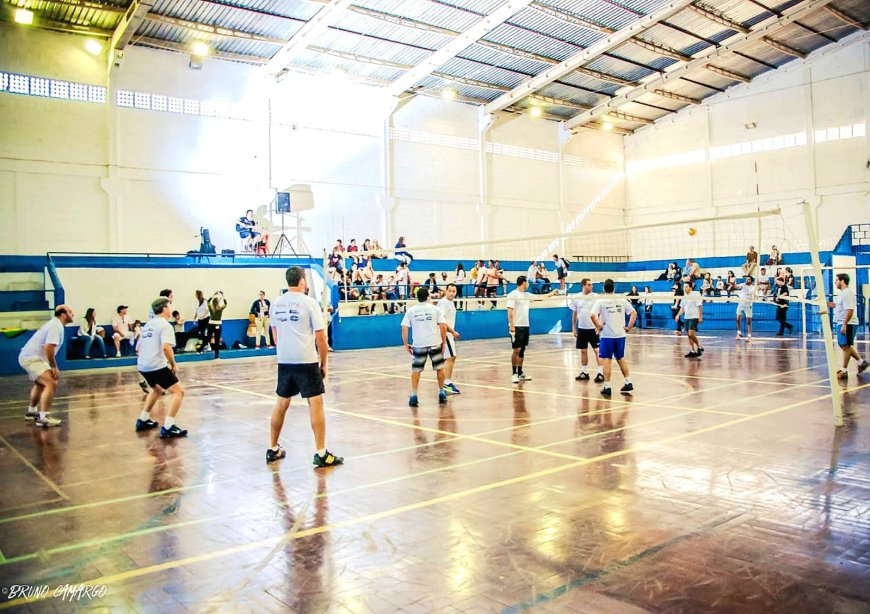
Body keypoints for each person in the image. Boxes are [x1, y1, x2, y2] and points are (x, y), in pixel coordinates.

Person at [267, 267, 343, 467]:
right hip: (306, 360)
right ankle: (321, 452)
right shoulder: (310, 303)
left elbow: (275, 337)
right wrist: (324, 363)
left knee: (281, 403)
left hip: (285, 361)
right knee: (315, 403)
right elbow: (321, 337)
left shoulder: (275, 304)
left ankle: (273, 449)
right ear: (301, 281)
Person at [135, 297, 188, 438]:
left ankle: (143, 420)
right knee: (179, 392)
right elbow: (166, 347)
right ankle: (169, 427)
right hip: (156, 365)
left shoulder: (148, 325)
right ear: (164, 309)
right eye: (169, 306)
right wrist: (173, 364)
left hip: (142, 365)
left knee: (157, 390)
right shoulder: (165, 325)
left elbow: (138, 347)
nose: (170, 309)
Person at [20, 305, 74, 427]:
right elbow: (49, 347)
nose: (73, 314)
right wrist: (54, 366)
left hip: (31, 356)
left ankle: (31, 412)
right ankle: (43, 418)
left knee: (41, 383)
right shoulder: (56, 326)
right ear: (63, 315)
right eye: (70, 312)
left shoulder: (54, 324)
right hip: (32, 358)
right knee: (51, 382)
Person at [401, 287, 448, 407]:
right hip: (435, 343)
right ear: (428, 296)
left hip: (419, 344)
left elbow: (404, 328)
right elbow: (443, 327)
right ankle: (442, 392)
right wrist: (444, 342)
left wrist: (406, 344)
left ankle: (414, 395)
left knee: (416, 370)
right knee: (440, 368)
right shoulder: (436, 309)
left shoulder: (411, 311)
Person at [590, 280, 636, 398]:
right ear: (613, 288)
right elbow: (633, 313)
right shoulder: (621, 299)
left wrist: (598, 326)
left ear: (604, 288)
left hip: (607, 335)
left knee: (607, 360)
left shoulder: (601, 301)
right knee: (620, 358)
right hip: (620, 334)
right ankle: (628, 382)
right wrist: (629, 327)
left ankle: (607, 386)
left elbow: (592, 315)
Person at [507, 276, 557, 384]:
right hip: (516, 326)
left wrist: (551, 294)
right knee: (516, 349)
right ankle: (514, 374)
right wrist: (512, 325)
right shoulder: (513, 295)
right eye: (527, 282)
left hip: (525, 325)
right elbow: (510, 312)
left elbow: (540, 297)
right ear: (523, 282)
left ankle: (520, 373)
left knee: (523, 349)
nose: (528, 284)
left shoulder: (527, 295)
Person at [827, 273, 869, 379]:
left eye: (836, 280)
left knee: (846, 346)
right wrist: (826, 304)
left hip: (848, 323)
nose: (835, 282)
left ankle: (844, 370)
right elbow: (838, 306)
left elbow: (850, 310)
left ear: (842, 281)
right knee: (844, 345)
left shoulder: (847, 293)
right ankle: (861, 362)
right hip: (841, 322)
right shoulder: (842, 293)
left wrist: (845, 324)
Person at [571, 278, 604, 383]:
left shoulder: (596, 297)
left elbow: (601, 312)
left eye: (591, 284)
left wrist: (599, 325)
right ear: (583, 285)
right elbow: (575, 314)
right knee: (583, 351)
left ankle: (600, 373)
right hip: (582, 329)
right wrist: (574, 328)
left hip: (593, 329)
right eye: (589, 285)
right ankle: (584, 372)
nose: (591, 286)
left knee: (597, 351)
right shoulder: (576, 297)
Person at [437, 283, 461, 395]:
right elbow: (442, 321)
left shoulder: (451, 303)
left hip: (448, 334)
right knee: (451, 356)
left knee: (447, 359)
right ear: (446, 291)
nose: (452, 293)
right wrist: (452, 332)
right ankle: (447, 383)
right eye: (450, 291)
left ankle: (444, 383)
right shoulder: (443, 303)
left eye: (454, 291)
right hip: (445, 334)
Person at [676, 281, 704, 358]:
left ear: (690, 287)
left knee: (691, 333)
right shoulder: (684, 296)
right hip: (686, 317)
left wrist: (700, 316)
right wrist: (678, 315)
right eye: (684, 287)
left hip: (694, 316)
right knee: (688, 335)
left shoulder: (696, 294)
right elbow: (682, 308)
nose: (684, 288)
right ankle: (692, 351)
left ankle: (699, 347)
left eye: (686, 287)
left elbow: (700, 306)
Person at [207, 291, 227, 359]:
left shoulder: (211, 308)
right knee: (217, 340)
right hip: (218, 324)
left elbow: (208, 301)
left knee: (208, 337)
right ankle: (216, 356)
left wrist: (213, 295)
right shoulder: (220, 309)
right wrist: (223, 296)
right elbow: (225, 304)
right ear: (218, 303)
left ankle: (207, 346)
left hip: (211, 324)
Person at [735, 275, 755, 341]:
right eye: (746, 279)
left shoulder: (753, 287)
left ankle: (749, 336)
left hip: (748, 305)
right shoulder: (743, 285)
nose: (747, 280)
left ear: (751, 281)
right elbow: (736, 286)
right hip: (740, 304)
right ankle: (738, 333)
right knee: (738, 319)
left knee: (748, 321)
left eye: (748, 279)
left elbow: (755, 294)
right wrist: (733, 283)